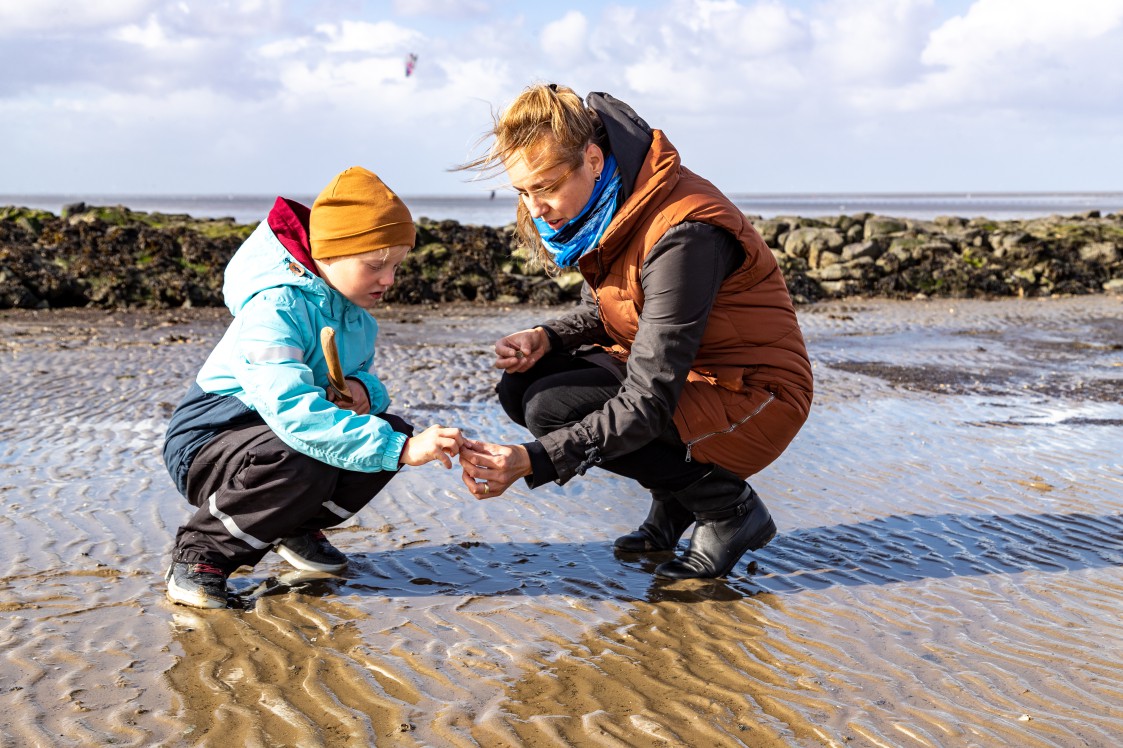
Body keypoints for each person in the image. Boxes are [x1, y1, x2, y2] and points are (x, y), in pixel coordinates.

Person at [456, 84, 813, 580]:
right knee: (523, 386)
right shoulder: (612, 205)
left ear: (594, 160)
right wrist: (549, 337)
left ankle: (728, 510)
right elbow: (611, 310)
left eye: (546, 187)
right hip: (691, 375)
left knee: (552, 410)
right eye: (523, 191)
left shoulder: (683, 234)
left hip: (755, 394)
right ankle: (676, 499)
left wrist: (533, 461)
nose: (536, 209)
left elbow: (648, 400)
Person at [162, 166, 464, 608]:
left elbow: (359, 390)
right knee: (342, 449)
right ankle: (200, 555)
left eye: (397, 266)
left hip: (272, 440)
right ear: (329, 253)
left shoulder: (357, 320)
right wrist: (400, 449)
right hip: (208, 440)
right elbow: (291, 410)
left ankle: (291, 526)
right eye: (376, 265)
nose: (389, 280)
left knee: (387, 427)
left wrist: (362, 391)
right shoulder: (274, 306)